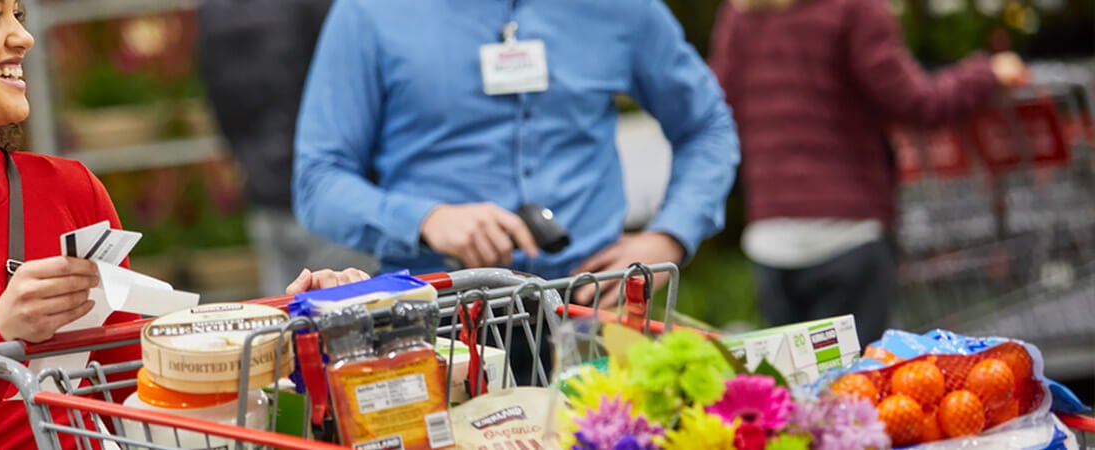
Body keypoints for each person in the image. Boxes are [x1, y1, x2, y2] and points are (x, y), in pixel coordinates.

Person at [0, 0, 368, 448]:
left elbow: (143, 392)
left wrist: (286, 329)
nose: (23, 36)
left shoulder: (68, 188)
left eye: (18, 12)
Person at [293, 0, 742, 307]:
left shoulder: (621, 9)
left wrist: (670, 236)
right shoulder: (369, 13)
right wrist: (427, 219)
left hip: (594, 308)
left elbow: (706, 126)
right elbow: (318, 179)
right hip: (437, 317)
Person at [708, 0, 1027, 343]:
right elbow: (917, 102)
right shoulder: (854, 8)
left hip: (771, 241)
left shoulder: (741, 12)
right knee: (855, 389)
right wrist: (987, 73)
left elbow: (717, 112)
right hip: (848, 233)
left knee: (793, 389)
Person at [196, 0, 378, 297]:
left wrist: (250, 164)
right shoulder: (321, 8)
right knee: (351, 318)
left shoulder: (216, 10)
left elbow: (219, 99)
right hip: (331, 193)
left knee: (288, 321)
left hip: (265, 188)